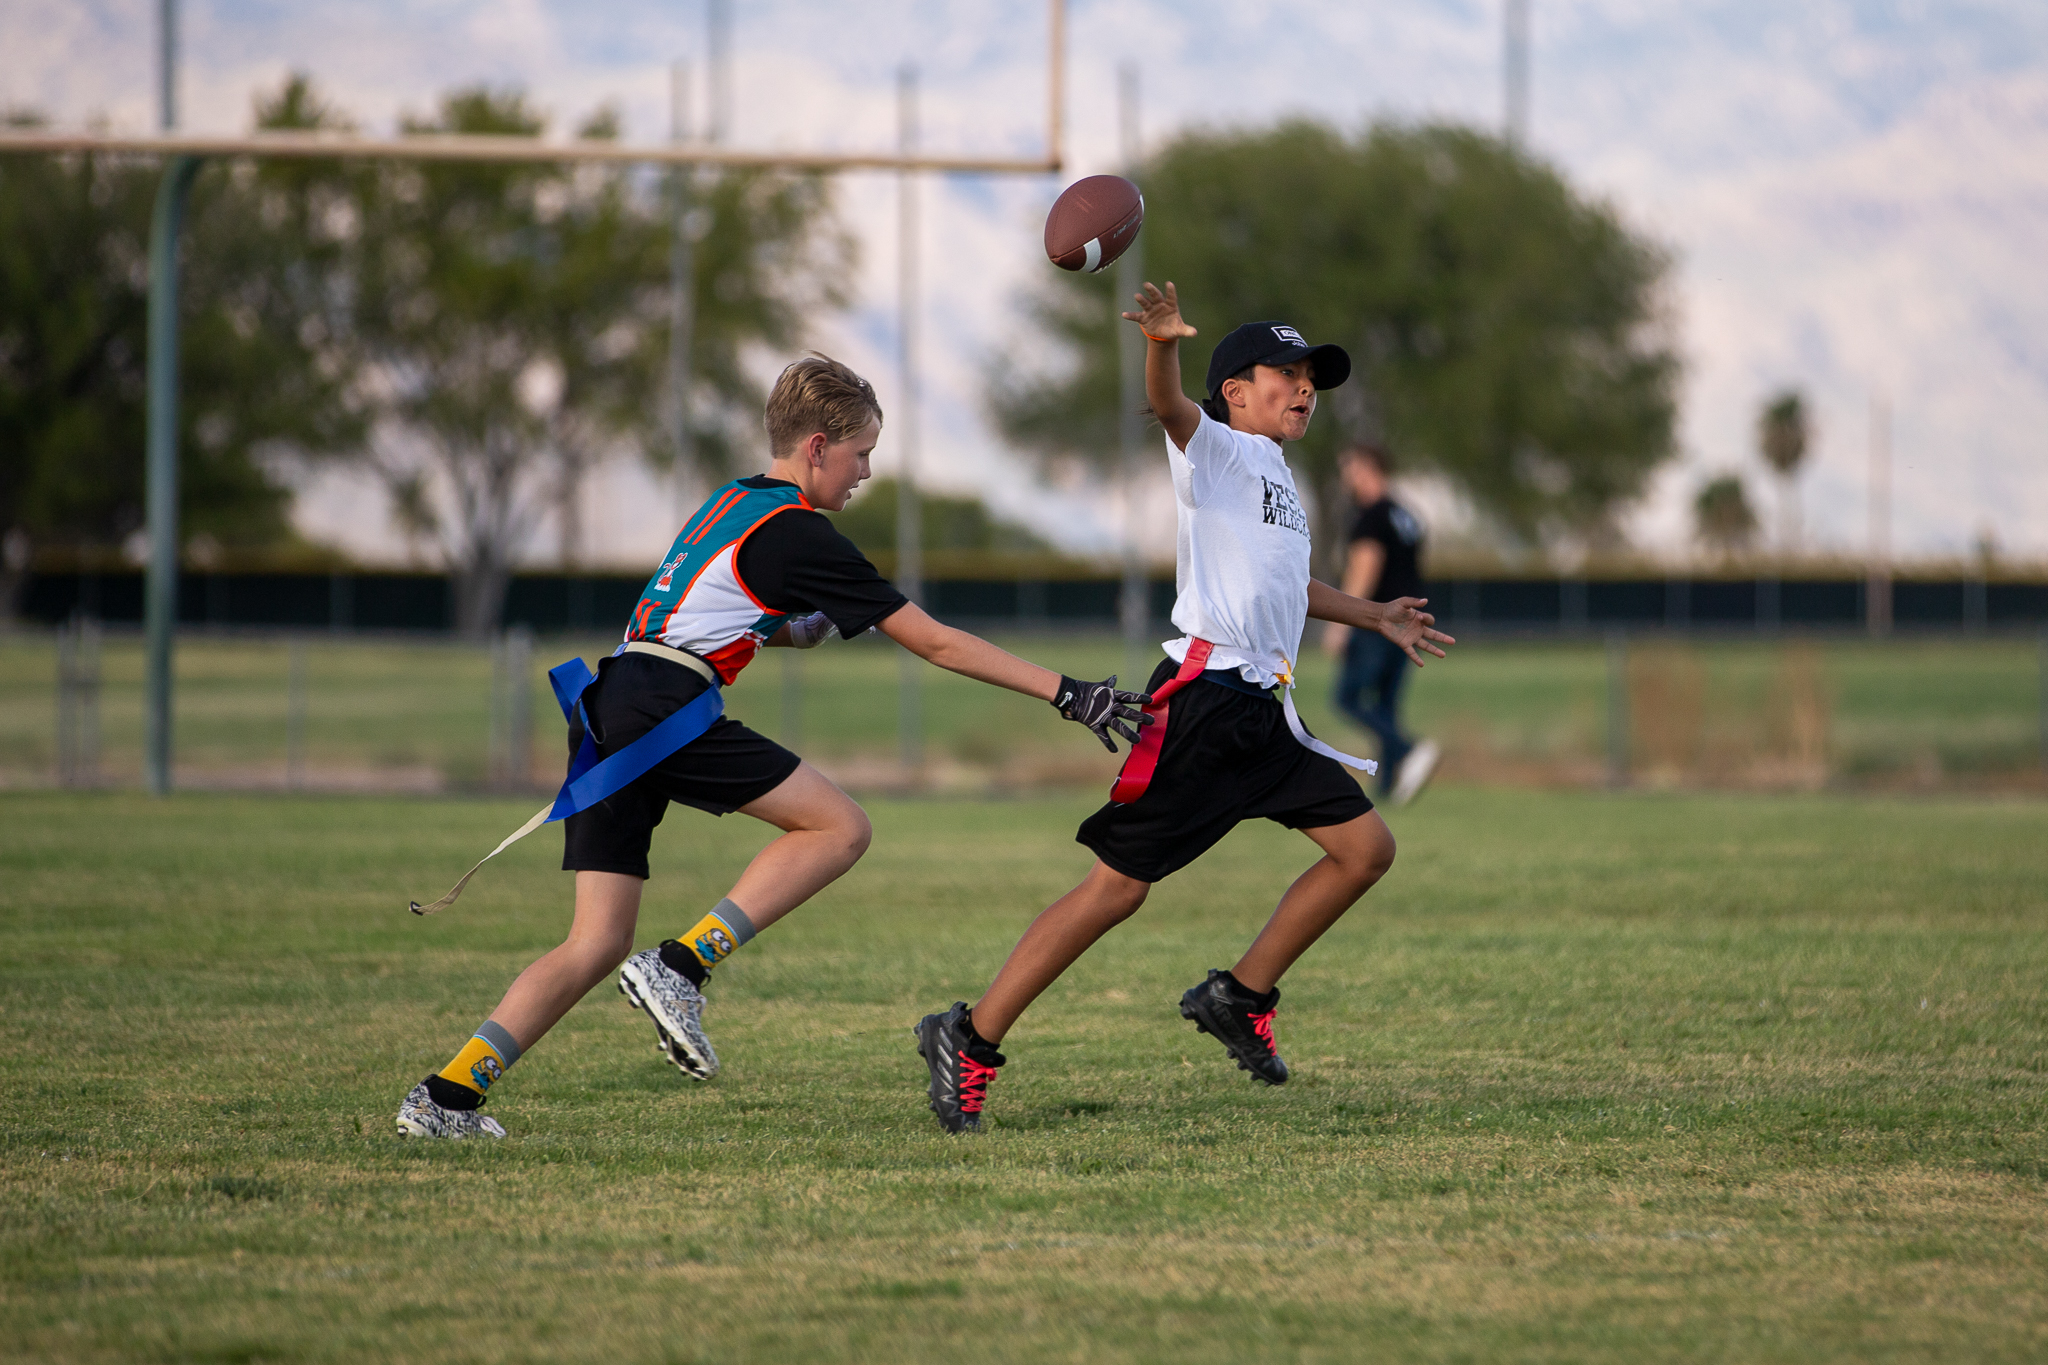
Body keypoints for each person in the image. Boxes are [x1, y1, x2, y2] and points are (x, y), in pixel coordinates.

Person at [397, 355, 1148, 1139]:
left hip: (611, 707)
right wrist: (1068, 691)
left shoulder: (735, 501)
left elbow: (701, 612)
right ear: (818, 446)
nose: (865, 472)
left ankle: (445, 1097)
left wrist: (789, 627)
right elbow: (936, 643)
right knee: (840, 827)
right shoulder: (799, 532)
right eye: (861, 454)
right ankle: (683, 963)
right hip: (664, 709)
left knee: (594, 940)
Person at [912, 284, 1454, 1133]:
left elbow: (1289, 584)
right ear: (1236, 391)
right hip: (1203, 707)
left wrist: (1376, 613)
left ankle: (1240, 994)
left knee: (1364, 849)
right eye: (1286, 372)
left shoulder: (1276, 472)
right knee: (1116, 890)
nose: (1305, 386)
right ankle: (970, 1035)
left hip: (1265, 715)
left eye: (1313, 375)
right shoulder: (1219, 452)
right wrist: (1162, 344)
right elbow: (1169, 406)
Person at [1323, 443, 1440, 806]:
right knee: (1385, 705)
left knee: (1346, 698)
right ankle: (1388, 788)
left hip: (1379, 622)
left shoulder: (1371, 516)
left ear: (1367, 467)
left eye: (1350, 467)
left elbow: (1366, 568)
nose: (1346, 476)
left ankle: (1411, 749)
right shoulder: (1406, 515)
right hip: (1411, 620)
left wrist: (1341, 624)